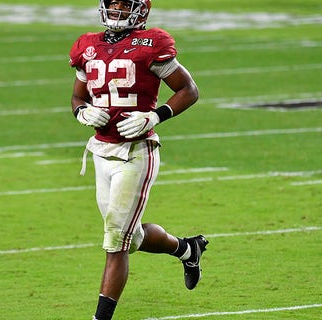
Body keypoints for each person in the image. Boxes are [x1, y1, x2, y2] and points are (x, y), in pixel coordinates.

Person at [68, 1, 208, 319]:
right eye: (111, 3)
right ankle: (187, 249)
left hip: (136, 153)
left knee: (116, 240)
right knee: (131, 238)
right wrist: (81, 110)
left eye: (122, 3)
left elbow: (189, 89)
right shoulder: (87, 45)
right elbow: (78, 95)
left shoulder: (151, 44)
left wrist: (154, 116)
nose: (115, 9)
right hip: (101, 152)